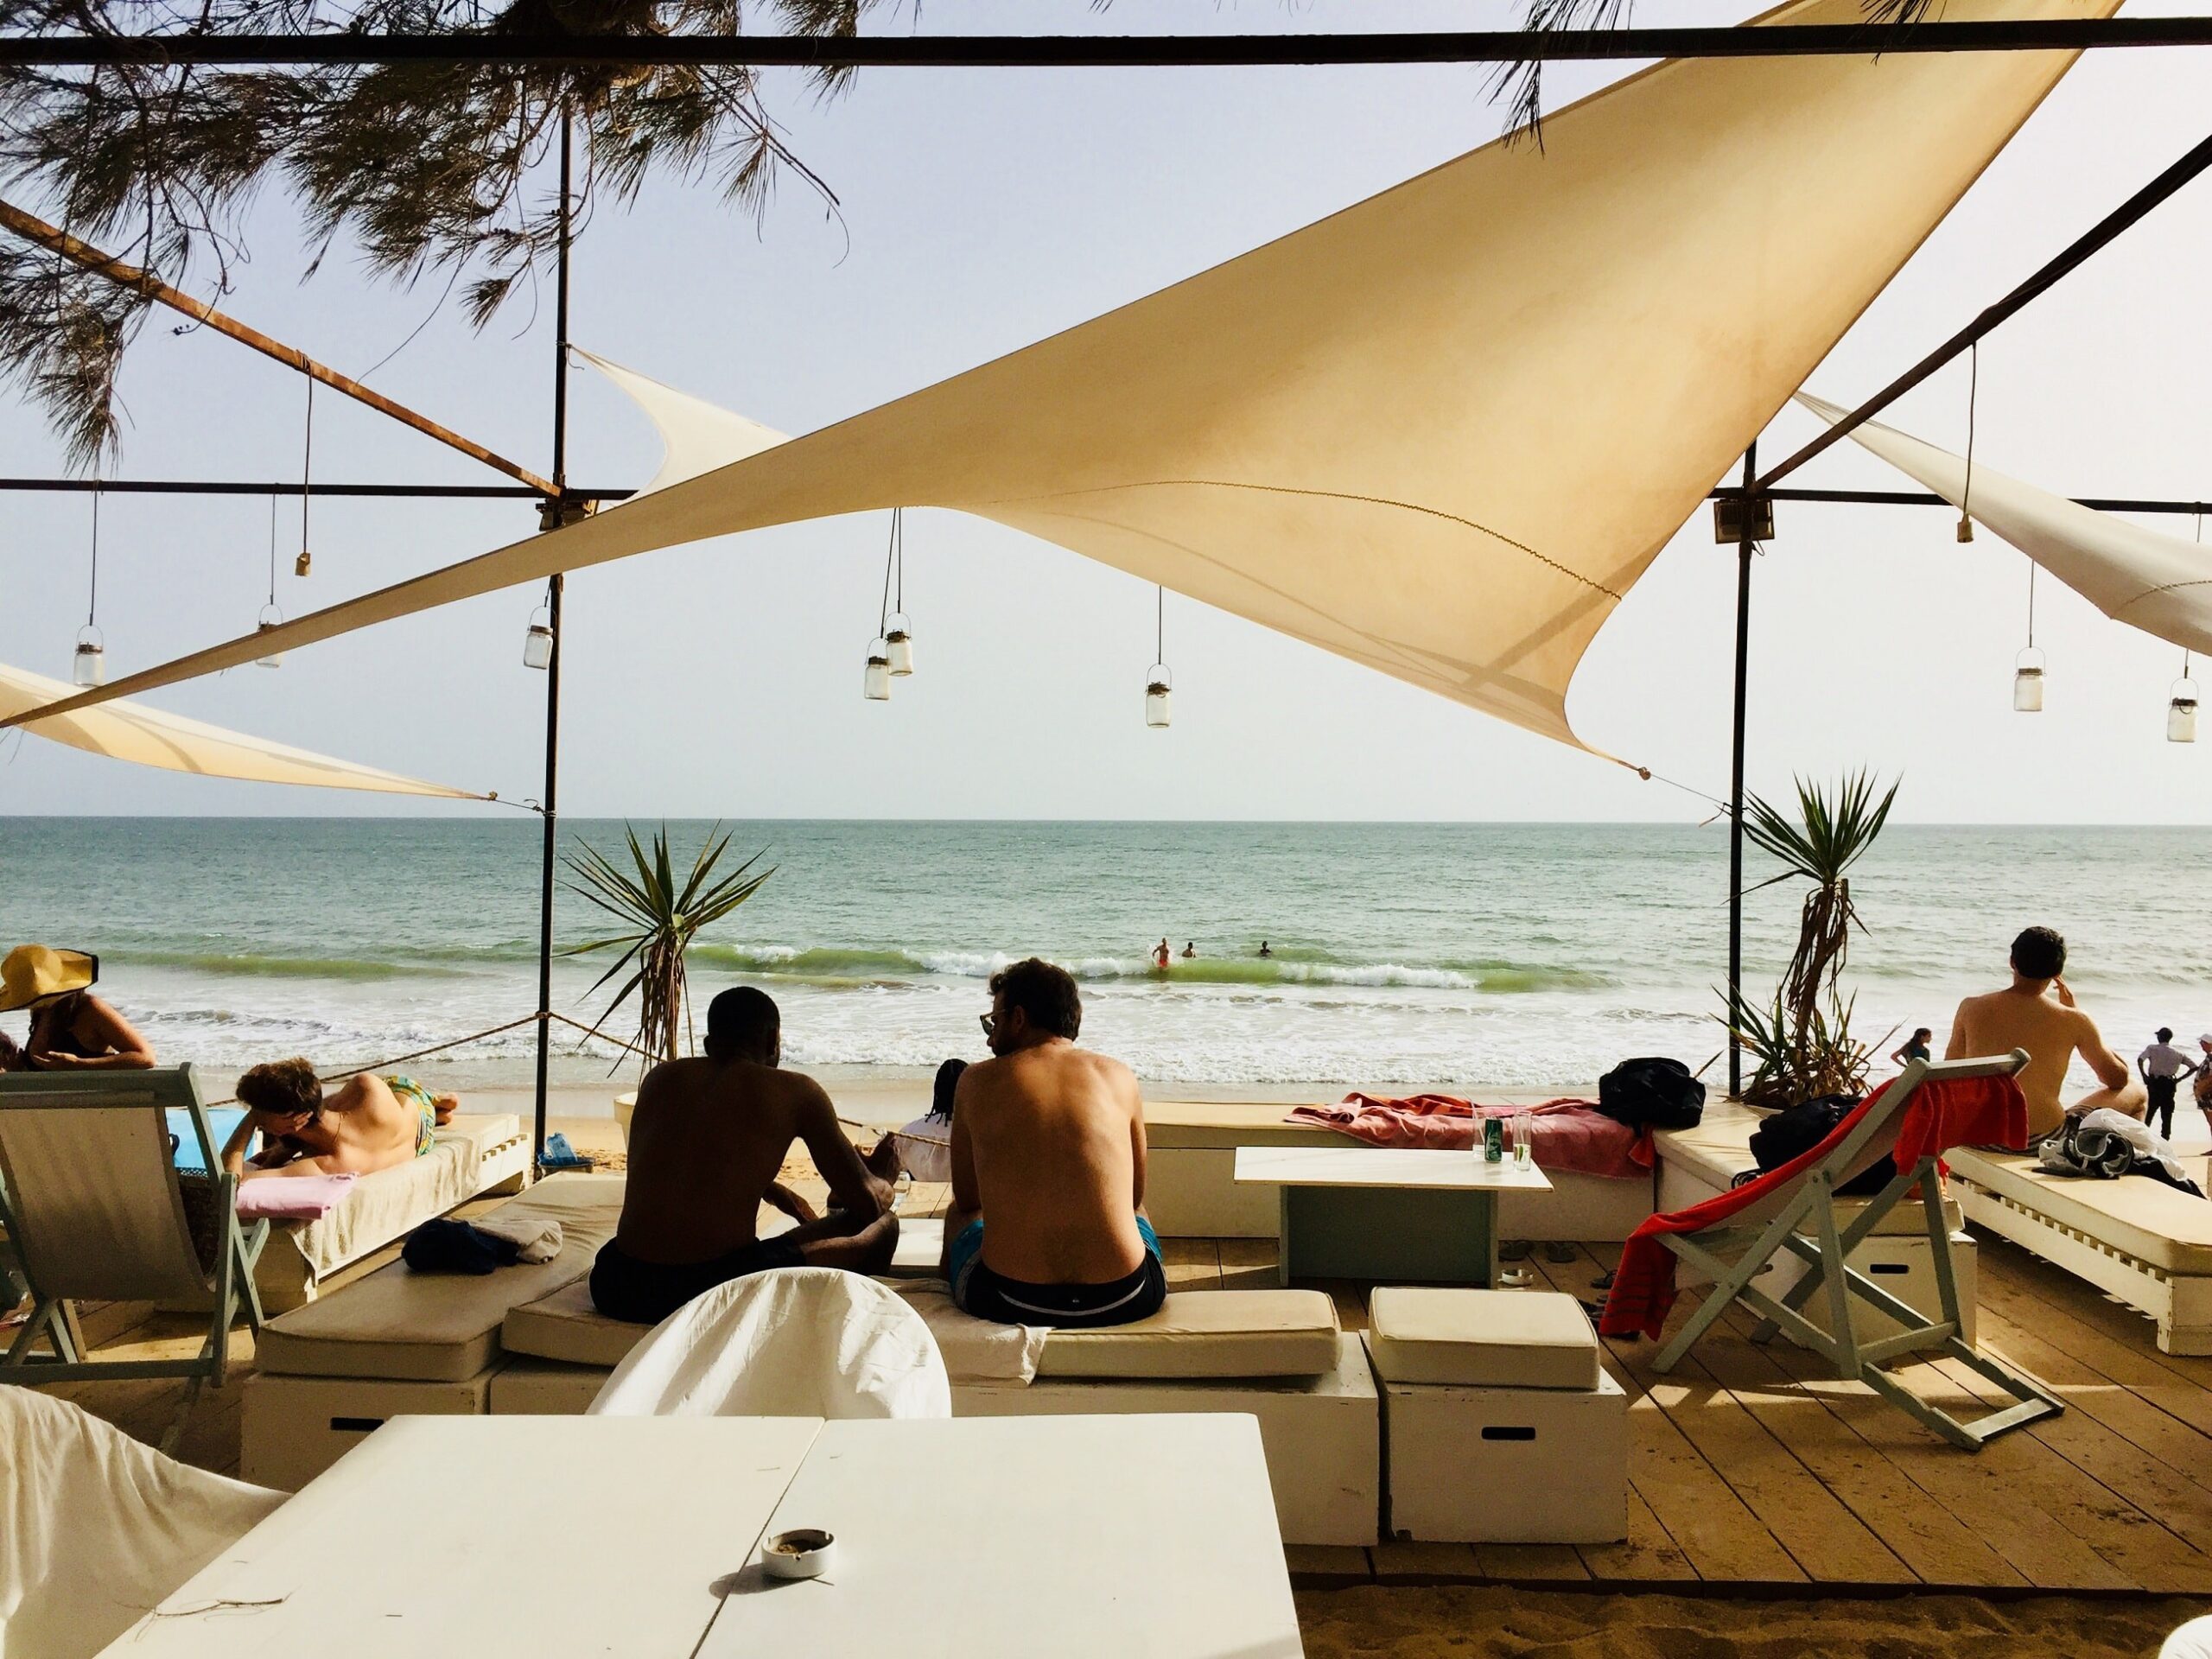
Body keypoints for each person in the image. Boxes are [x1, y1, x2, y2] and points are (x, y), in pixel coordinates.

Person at [591, 987, 897, 1325]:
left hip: (616, 1283)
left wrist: (775, 1189)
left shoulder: (660, 1078)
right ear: (772, 1040)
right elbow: (869, 1204)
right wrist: (884, 1178)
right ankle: (853, 1329)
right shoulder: (797, 1091)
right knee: (884, 1225)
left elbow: (693, 1158)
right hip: (708, 1290)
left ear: (710, 1045)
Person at [941, 957, 1165, 1328]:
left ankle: (944, 1325)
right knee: (1138, 1215)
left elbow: (968, 1200)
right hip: (1126, 1297)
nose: (988, 1036)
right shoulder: (1118, 1076)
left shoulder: (976, 1081)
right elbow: (1134, 1196)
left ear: (1018, 1018)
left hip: (1010, 1300)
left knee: (957, 1214)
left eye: (993, 1021)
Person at [1947, 926, 2143, 1141]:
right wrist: (2078, 1014)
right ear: (2057, 973)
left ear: (2012, 962)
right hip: (2042, 1140)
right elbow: (2117, 1079)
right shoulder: (2074, 1019)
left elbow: (1950, 1073)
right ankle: (2126, 1165)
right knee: (2137, 1092)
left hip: (1976, 1135)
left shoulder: (1970, 1007)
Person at [221, 1059, 454, 1182]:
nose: (258, 1121)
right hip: (416, 1107)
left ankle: (442, 1104)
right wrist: (283, 1144)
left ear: (292, 1121)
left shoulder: (324, 1165)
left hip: (420, 1140)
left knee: (333, 1107)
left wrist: (251, 1120)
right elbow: (319, 1111)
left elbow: (229, 1182)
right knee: (335, 1105)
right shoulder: (366, 1086)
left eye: (258, 1114)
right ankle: (440, 1105)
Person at [0, 946, 153, 1071]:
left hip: (90, 1102)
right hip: (48, 1104)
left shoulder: (91, 1009)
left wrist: (78, 1064)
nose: (32, 1003)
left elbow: (145, 1058)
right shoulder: (43, 1009)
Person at [2139, 1028, 2202, 1143]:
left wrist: (2144, 1075)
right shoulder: (2178, 1053)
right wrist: (2178, 1080)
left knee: (2149, 1112)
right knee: (2167, 1115)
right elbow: (2193, 1067)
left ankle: (2144, 1139)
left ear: (2159, 1037)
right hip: (2169, 1084)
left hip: (2155, 1084)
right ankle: (2165, 1140)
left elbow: (2140, 1059)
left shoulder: (2152, 1048)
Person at [2196, 1034, 2212, 1139]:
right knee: (2210, 1121)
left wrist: (2203, 1088)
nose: (2201, 1045)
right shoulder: (2208, 1057)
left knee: (2211, 1120)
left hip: (2209, 1094)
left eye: (2203, 1043)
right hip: (2205, 1094)